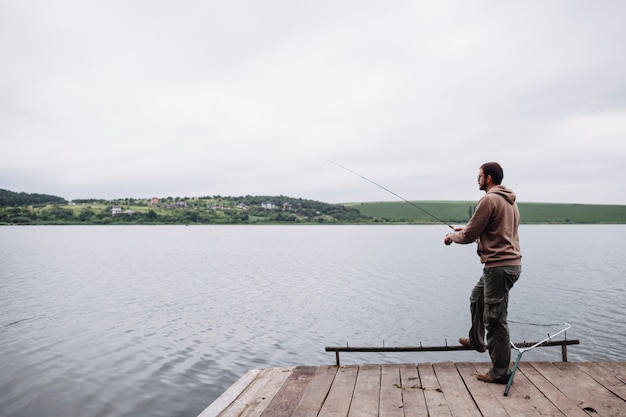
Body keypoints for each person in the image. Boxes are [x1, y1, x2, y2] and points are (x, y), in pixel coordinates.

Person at [444, 162, 522, 384]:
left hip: (498, 267)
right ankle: (476, 340)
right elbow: (495, 231)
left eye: (479, 176)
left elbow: (468, 236)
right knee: (476, 298)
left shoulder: (489, 200)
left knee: (495, 320)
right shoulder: (509, 201)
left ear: (488, 178)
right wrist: (466, 230)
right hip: (506, 265)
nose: (477, 180)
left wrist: (452, 237)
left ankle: (500, 372)